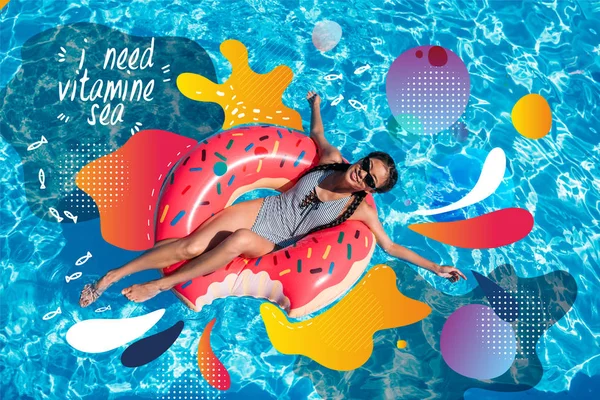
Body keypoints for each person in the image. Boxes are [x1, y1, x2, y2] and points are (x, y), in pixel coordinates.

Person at [79, 91, 466, 307]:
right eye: (366, 164)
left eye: (370, 178)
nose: (361, 173)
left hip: (275, 238)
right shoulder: (331, 161)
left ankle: (161, 285)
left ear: (371, 190)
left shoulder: (360, 210)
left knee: (241, 242)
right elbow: (317, 133)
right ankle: (114, 275)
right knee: (191, 244)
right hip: (263, 208)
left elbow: (392, 246)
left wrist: (437, 268)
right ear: (362, 159)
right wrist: (314, 104)